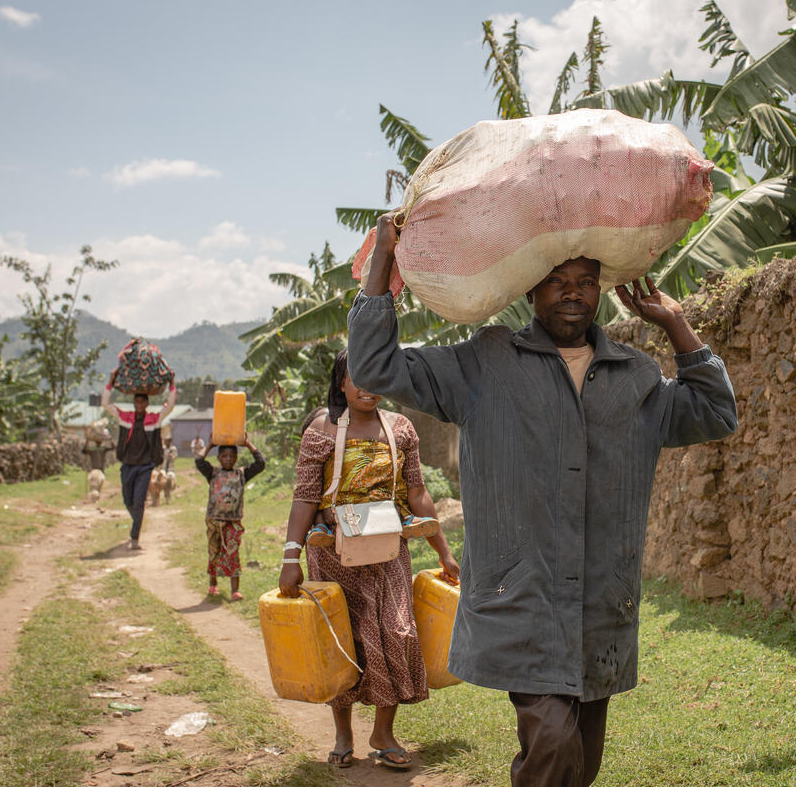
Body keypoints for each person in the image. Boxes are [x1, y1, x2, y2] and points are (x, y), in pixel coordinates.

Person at [345, 214, 738, 787]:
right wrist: (384, 257)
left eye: (585, 279)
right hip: (522, 599)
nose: (572, 290)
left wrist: (677, 324)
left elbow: (716, 412)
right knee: (553, 740)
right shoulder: (483, 364)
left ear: (601, 291)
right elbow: (374, 365)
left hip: (603, 602)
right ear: (530, 289)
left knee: (580, 757)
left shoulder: (636, 378)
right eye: (557, 278)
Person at [279, 348, 460, 771]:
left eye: (377, 377)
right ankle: (343, 734)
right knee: (343, 644)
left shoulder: (401, 430)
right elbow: (305, 497)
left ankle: (383, 732)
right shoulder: (321, 431)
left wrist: (444, 552)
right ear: (341, 382)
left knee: (397, 634)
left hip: (387, 553)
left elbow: (416, 493)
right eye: (357, 378)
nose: (367, 387)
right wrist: (291, 557)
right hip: (333, 554)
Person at [102, 374, 177, 550]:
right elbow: (106, 404)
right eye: (137, 403)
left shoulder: (154, 419)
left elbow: (171, 405)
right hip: (127, 465)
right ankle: (136, 518)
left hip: (145, 467)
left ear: (147, 404)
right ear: (134, 403)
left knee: (139, 500)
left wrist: (172, 384)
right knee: (127, 500)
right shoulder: (125, 418)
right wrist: (111, 381)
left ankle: (135, 537)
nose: (140, 406)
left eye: (143, 403)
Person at [195, 434, 265, 600]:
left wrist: (248, 444)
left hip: (233, 522)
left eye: (231, 456)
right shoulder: (212, 473)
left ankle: (235, 591)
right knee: (214, 553)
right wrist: (210, 444)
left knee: (233, 553)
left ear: (236, 458)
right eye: (224, 456)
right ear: (218, 458)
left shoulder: (242, 474)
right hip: (213, 520)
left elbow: (260, 464)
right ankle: (213, 585)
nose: (228, 459)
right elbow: (198, 461)